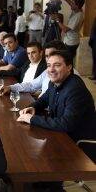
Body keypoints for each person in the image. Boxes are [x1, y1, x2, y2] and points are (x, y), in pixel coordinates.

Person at [17, 50, 95, 191]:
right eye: (49, 65)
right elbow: (44, 99)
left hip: (76, 144)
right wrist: (32, 107)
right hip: (60, 136)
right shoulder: (56, 82)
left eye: (57, 65)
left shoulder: (75, 90)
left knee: (34, 163)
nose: (51, 69)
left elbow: (66, 124)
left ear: (69, 67)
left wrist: (33, 119)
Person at [0, 40, 67, 97]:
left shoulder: (71, 82)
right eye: (47, 56)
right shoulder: (46, 71)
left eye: (52, 55)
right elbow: (31, 85)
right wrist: (10, 88)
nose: (49, 59)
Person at [58, 0, 85, 64]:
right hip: (69, 40)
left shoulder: (78, 16)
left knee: (68, 61)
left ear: (77, 5)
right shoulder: (77, 10)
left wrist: (57, 20)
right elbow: (70, 3)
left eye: (73, 3)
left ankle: (70, 73)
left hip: (71, 42)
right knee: (68, 59)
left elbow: (65, 30)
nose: (70, 4)